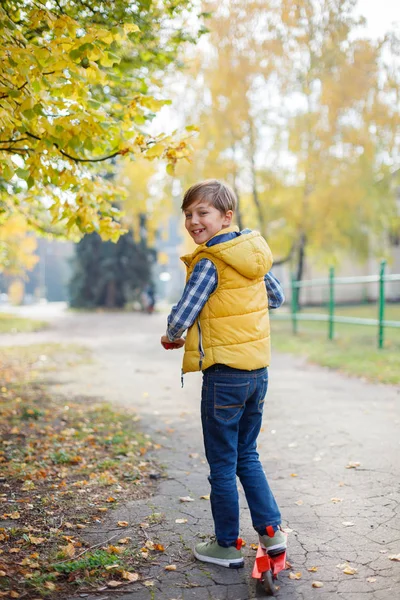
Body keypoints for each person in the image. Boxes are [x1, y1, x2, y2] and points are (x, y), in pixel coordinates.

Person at [160, 179, 287, 569]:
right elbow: (277, 297)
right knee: (247, 454)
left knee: (222, 463)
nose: (193, 221)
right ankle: (270, 531)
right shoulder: (250, 257)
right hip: (257, 373)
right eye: (188, 215)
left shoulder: (211, 261)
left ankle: (227, 545)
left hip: (224, 376)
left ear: (225, 216)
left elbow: (185, 311)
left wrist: (171, 334)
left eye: (202, 213)